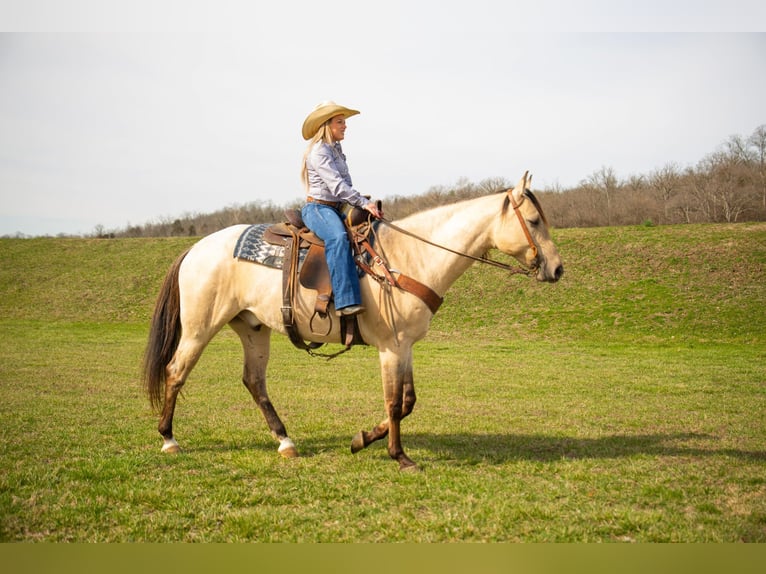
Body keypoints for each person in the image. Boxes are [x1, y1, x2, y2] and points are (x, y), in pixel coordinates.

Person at [300, 101, 383, 317]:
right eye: (340, 122)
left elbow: (345, 186)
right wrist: (363, 203)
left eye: (344, 122)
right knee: (337, 238)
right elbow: (337, 187)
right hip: (318, 209)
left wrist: (360, 202)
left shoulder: (336, 150)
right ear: (327, 125)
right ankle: (345, 302)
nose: (345, 126)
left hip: (336, 208)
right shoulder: (319, 153)